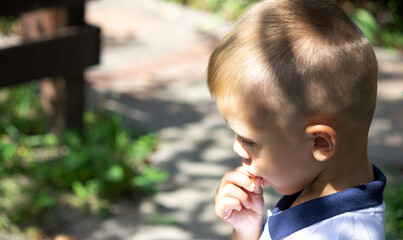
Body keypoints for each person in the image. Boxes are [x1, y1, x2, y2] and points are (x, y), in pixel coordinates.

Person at [207, 0, 386, 239]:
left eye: (248, 140)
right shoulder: (322, 197)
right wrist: (247, 229)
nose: (236, 147)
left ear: (319, 143)